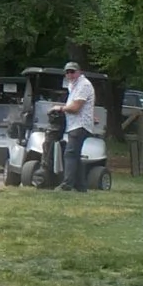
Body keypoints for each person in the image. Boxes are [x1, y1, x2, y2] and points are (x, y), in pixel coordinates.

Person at [53, 59, 99, 191]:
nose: (70, 75)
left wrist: (59, 108)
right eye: (67, 72)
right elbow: (88, 104)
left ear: (79, 72)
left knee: (70, 153)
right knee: (75, 155)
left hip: (80, 125)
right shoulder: (73, 85)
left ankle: (67, 185)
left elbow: (76, 107)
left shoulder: (83, 85)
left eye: (72, 72)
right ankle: (81, 186)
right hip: (75, 124)